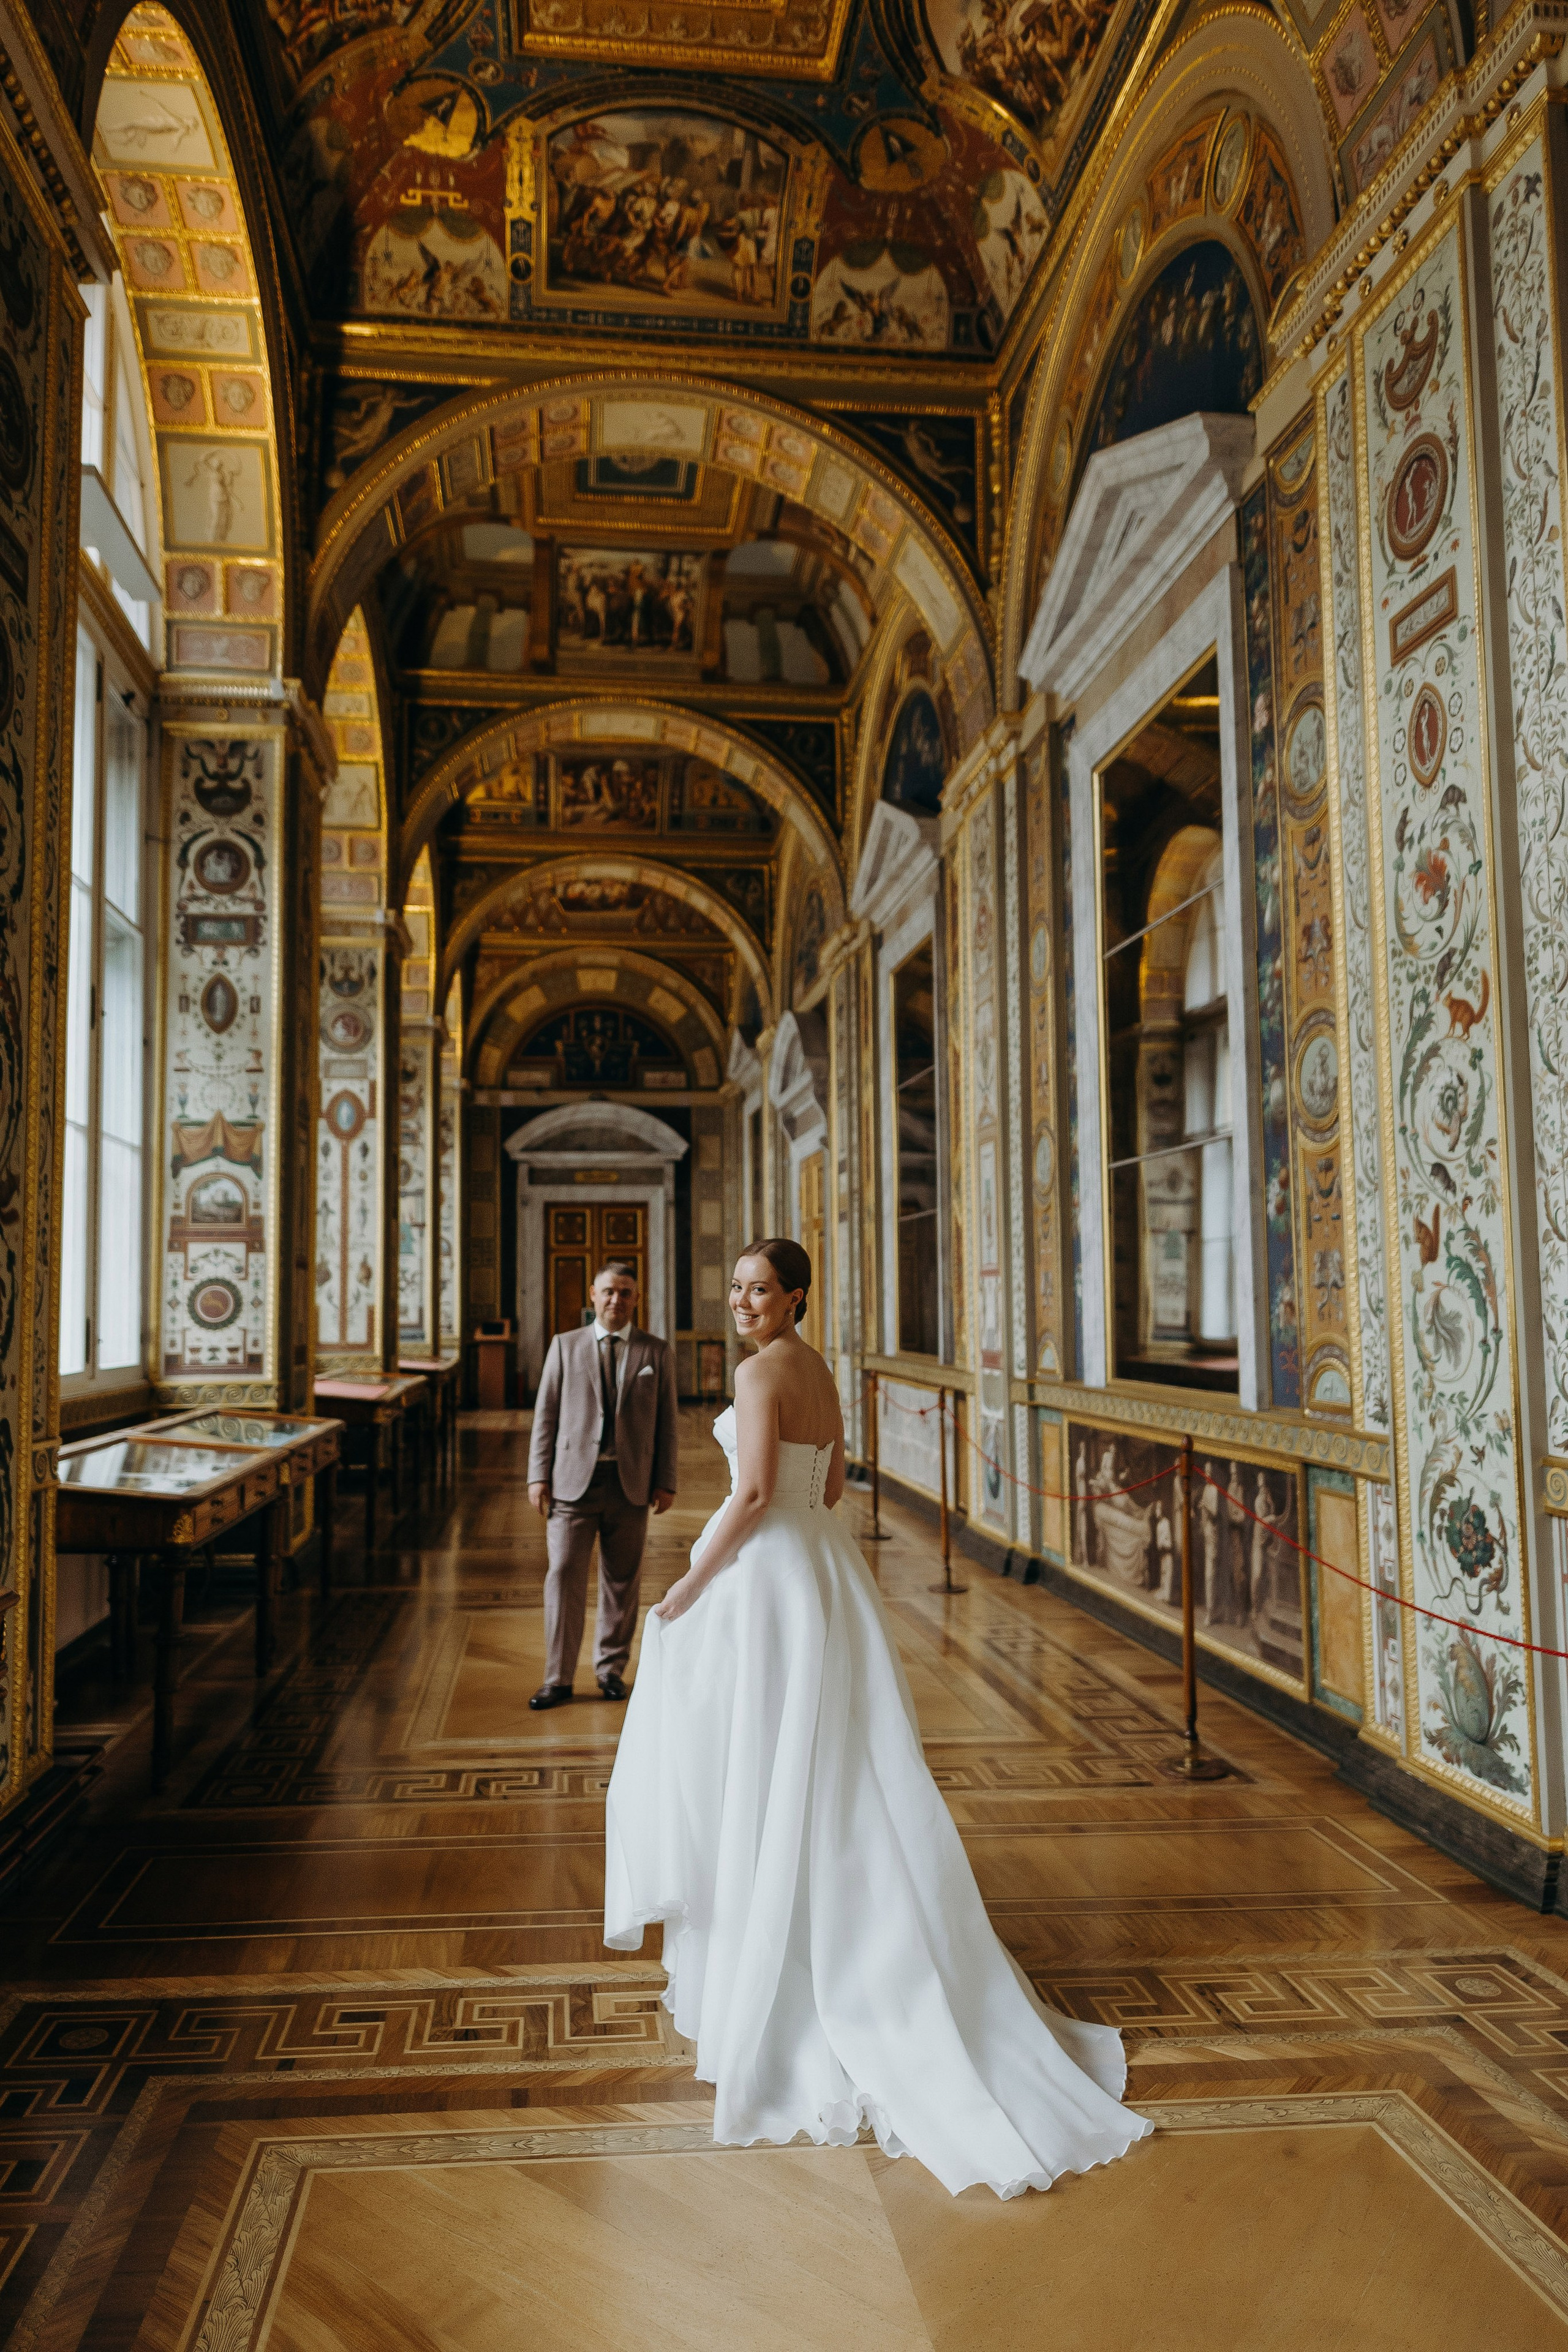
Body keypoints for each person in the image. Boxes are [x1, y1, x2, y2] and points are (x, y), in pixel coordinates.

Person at [605, 1237, 1151, 2199]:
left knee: (767, 1764)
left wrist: (692, 1578)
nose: (742, 1302)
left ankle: (788, 1963)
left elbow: (761, 1492)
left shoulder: (759, 1370)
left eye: (759, 1290)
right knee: (831, 1768)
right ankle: (831, 1928)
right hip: (825, 1581)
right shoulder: (816, 1367)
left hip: (769, 1582)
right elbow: (832, 1487)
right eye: (734, 1288)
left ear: (795, 1296)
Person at [526, 1259, 677, 1708]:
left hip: (630, 1484)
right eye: (609, 1292)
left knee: (622, 1581)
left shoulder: (656, 1352)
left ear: (636, 1298)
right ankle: (557, 1678)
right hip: (572, 1484)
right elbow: (545, 1415)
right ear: (593, 1295)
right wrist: (538, 1474)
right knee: (563, 1576)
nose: (617, 1300)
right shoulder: (564, 1346)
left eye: (626, 1292)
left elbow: (668, 1424)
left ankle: (611, 1671)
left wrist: (666, 1480)